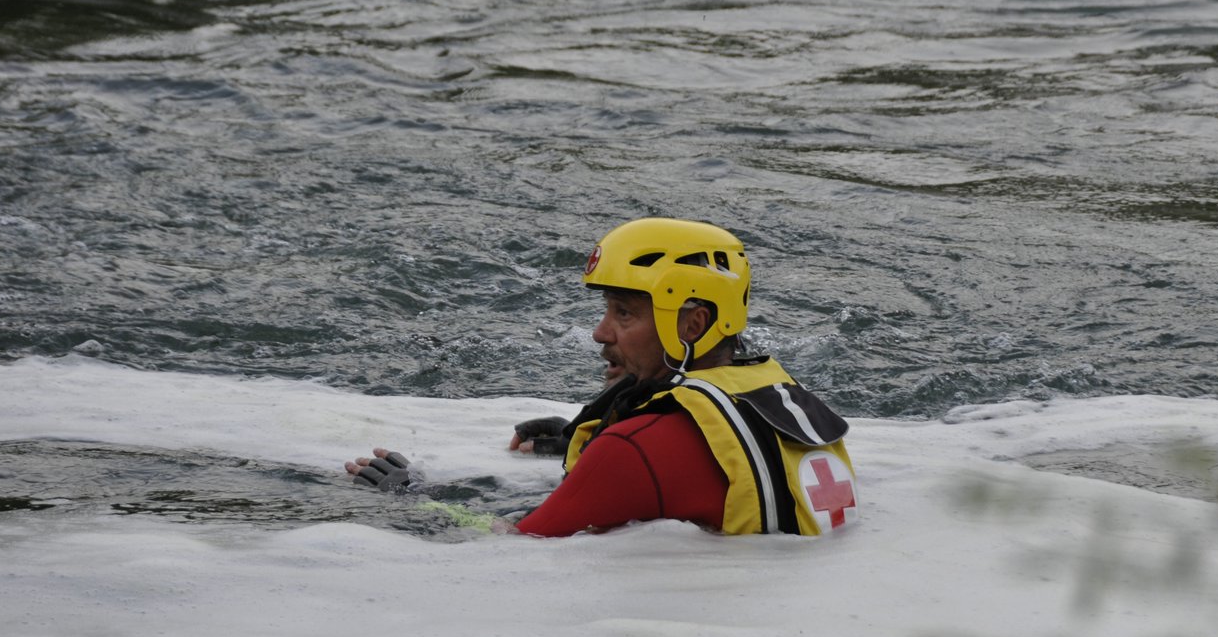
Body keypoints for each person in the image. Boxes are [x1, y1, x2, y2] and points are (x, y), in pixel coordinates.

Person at [347, 217, 858, 537]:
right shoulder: (786, 398)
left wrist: (411, 495)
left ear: (693, 323)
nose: (599, 332)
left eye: (624, 313)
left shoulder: (635, 451)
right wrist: (587, 433)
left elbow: (509, 546)